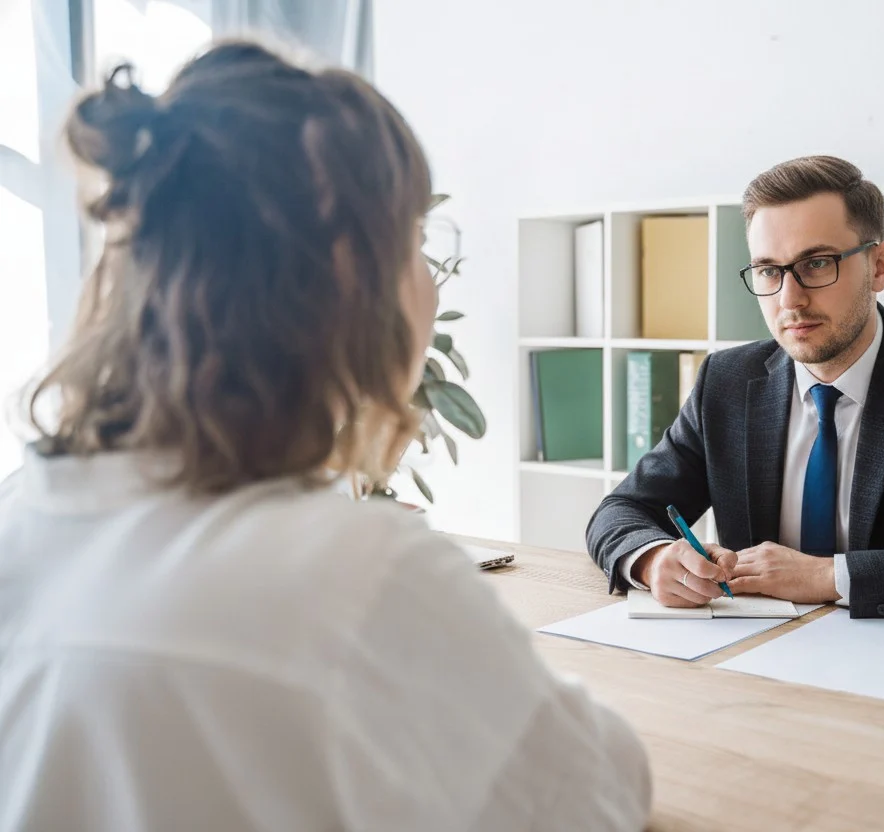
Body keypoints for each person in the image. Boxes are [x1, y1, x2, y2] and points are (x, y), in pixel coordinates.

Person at [0, 42, 650, 831]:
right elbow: (598, 796)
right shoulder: (362, 575)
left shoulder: (20, 518)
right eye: (413, 240)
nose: (430, 281)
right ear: (348, 276)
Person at [587, 155, 884, 623]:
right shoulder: (727, 382)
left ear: (881, 266)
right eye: (768, 270)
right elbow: (622, 511)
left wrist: (827, 576)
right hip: (757, 664)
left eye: (817, 263)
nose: (789, 299)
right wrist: (652, 559)